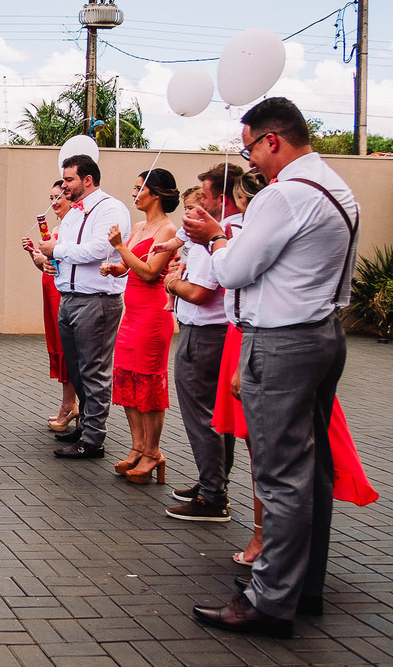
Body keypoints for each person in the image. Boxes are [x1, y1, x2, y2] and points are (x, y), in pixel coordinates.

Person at [186, 97, 359, 637]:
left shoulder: (283, 196)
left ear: (272, 141)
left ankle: (268, 600)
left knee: (281, 474)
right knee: (314, 473)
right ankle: (300, 586)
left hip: (283, 342)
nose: (250, 161)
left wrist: (214, 237)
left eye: (249, 149)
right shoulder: (336, 189)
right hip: (325, 334)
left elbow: (236, 270)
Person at [162, 169, 243, 524]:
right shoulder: (222, 234)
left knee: (203, 418)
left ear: (220, 200)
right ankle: (211, 482)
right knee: (216, 416)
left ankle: (213, 495)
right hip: (214, 333)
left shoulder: (220, 238)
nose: (199, 205)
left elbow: (199, 291)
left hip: (206, 334)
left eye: (205, 198)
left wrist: (172, 285)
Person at [38, 154, 131, 460]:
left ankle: (94, 439)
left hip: (98, 300)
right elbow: (63, 253)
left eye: (69, 180)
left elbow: (98, 249)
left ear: (87, 180)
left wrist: (59, 250)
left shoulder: (111, 208)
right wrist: (52, 263)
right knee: (76, 368)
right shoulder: (74, 214)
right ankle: (86, 424)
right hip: (69, 298)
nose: (64, 185)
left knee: (94, 369)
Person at [102, 168, 179, 483]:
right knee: (127, 379)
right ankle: (136, 447)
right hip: (131, 314)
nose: (135, 194)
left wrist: (120, 248)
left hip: (153, 315)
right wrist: (115, 267)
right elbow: (131, 266)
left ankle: (153, 452)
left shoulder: (168, 229)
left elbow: (149, 272)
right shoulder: (139, 226)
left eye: (139, 189)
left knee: (148, 383)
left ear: (156, 194)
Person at [21, 180, 78, 431]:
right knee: (57, 345)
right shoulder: (55, 229)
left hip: (62, 293)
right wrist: (33, 254)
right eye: (51, 198)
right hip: (50, 289)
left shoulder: (73, 229)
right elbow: (46, 264)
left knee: (67, 349)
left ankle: (70, 406)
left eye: (59, 197)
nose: (54, 203)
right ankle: (68, 404)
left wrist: (46, 257)